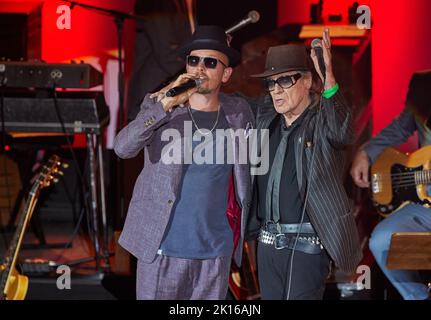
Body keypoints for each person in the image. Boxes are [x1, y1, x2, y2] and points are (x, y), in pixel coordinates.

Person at [114, 25, 254, 299]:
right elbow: (122, 148)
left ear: (225, 74)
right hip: (161, 248)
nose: (199, 68)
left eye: (210, 62)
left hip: (215, 253)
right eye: (193, 60)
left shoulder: (239, 113)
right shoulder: (161, 108)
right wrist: (165, 104)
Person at [247, 29, 362, 300]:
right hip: (266, 244)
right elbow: (232, 104)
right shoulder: (266, 117)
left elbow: (343, 131)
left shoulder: (323, 118)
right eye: (271, 83)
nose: (275, 90)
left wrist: (329, 77)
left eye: (284, 81)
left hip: (307, 246)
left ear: (308, 80)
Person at [350, 70, 431, 300]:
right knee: (382, 241)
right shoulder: (423, 84)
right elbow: (400, 127)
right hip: (425, 203)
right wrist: (366, 152)